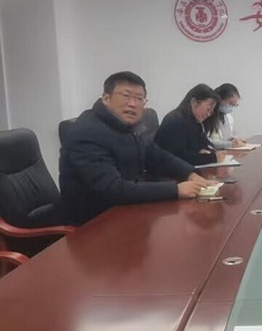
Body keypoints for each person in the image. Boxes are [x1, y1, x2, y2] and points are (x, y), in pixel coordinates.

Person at [59, 71, 212, 225]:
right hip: (93, 223)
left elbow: (158, 156)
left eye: (139, 98)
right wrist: (175, 190)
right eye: (126, 96)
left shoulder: (129, 127)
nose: (133, 104)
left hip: (126, 212)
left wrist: (190, 173)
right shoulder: (87, 133)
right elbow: (112, 189)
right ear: (106, 98)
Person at [154, 83, 224, 166]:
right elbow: (177, 158)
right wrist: (212, 158)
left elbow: (206, 145)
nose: (208, 114)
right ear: (194, 102)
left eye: (211, 112)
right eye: (208, 109)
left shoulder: (195, 123)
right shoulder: (176, 121)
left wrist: (210, 153)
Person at [208, 83, 247, 149]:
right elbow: (207, 142)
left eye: (235, 105)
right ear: (220, 100)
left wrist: (234, 139)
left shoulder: (226, 117)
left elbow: (226, 137)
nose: (232, 107)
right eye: (231, 104)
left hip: (225, 152)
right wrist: (230, 144)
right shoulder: (207, 116)